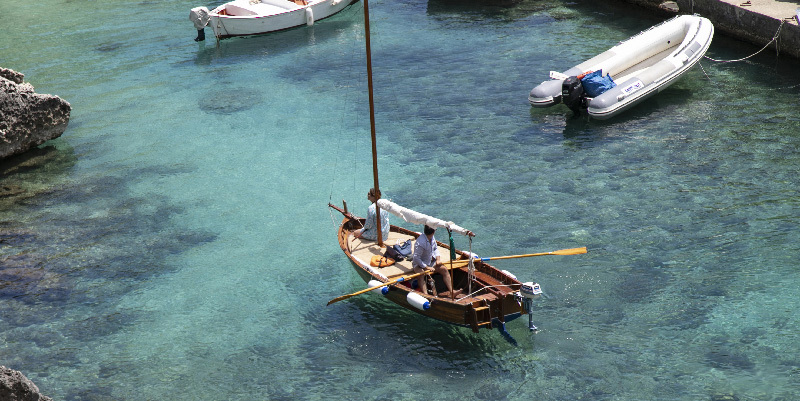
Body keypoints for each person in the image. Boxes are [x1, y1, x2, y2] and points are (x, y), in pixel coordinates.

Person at [412, 225, 453, 296]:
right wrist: (426, 267)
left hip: (430, 262)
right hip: (419, 265)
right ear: (433, 232)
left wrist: (438, 259)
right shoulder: (420, 243)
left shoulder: (432, 237)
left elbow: (435, 249)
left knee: (444, 269)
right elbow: (416, 258)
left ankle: (452, 292)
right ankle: (426, 295)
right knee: (421, 275)